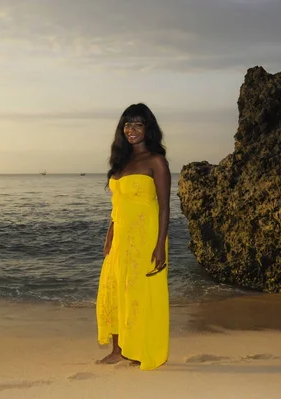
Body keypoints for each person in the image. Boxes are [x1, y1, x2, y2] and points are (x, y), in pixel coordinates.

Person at [96, 103, 171, 370]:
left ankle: (139, 349)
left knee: (139, 293)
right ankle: (118, 350)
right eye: (127, 124)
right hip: (120, 238)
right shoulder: (122, 161)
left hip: (144, 237)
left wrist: (160, 245)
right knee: (115, 289)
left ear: (148, 129)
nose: (132, 130)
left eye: (138, 124)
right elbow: (118, 204)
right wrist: (109, 234)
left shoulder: (156, 161)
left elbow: (164, 206)